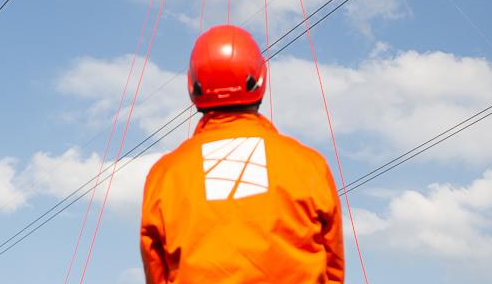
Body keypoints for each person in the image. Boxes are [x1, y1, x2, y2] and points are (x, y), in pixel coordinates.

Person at [140, 25, 344, 283]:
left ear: (193, 86)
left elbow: (156, 269)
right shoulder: (308, 164)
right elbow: (333, 266)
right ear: (260, 79)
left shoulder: (165, 175)